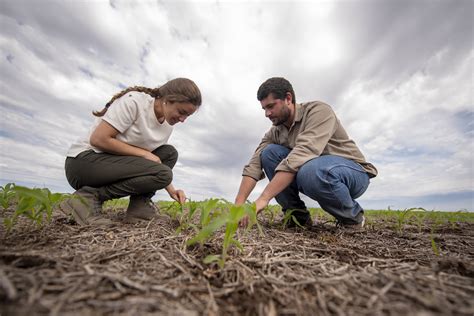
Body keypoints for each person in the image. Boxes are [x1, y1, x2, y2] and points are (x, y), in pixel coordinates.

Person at [236, 77, 377, 228]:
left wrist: (263, 199)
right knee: (269, 153)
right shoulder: (275, 133)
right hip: (312, 173)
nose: (267, 113)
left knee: (310, 170)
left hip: (353, 174)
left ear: (288, 98)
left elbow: (302, 154)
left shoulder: (319, 111)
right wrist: (238, 204)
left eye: (271, 106)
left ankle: (353, 219)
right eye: (264, 109)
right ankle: (298, 218)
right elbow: (254, 164)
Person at [59, 78, 202, 225]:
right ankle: (87, 197)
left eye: (187, 116)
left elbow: (155, 164)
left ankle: (139, 208)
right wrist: (144, 154)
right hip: (84, 162)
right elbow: (98, 139)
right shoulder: (135, 102)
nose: (183, 119)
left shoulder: (167, 126)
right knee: (163, 169)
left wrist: (171, 190)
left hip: (115, 166)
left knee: (169, 153)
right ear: (167, 100)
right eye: (181, 112)